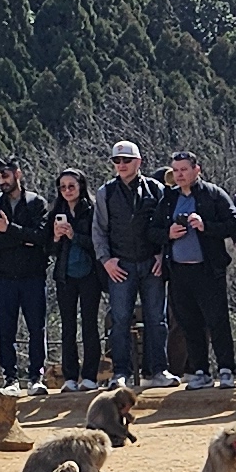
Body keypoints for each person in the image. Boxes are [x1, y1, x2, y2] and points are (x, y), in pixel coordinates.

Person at [157, 150, 236, 388]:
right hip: (179, 272)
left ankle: (226, 369)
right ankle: (200, 371)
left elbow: (234, 224)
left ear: (196, 170)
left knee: (217, 321)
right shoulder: (169, 199)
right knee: (189, 324)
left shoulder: (213, 195)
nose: (180, 175)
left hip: (208, 270)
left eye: (184, 170)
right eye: (176, 170)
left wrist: (205, 226)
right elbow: (152, 231)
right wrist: (168, 233)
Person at [0, 152, 51, 386]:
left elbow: (41, 237)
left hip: (32, 275)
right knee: (6, 331)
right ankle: (10, 377)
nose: (2, 181)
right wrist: (22, 238)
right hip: (3, 277)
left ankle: (36, 376)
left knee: (36, 328)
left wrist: (9, 230)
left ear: (18, 174)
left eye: (6, 175)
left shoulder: (35, 203)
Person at [96, 141, 163, 384]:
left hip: (151, 263)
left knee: (157, 319)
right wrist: (106, 260)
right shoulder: (106, 192)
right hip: (120, 266)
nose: (121, 165)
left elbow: (164, 226)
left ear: (138, 161)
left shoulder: (156, 189)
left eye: (126, 160)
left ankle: (157, 371)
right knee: (120, 321)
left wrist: (162, 255)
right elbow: (99, 230)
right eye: (117, 161)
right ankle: (120, 373)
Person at [43, 169, 102, 386]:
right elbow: (47, 247)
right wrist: (57, 238)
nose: (67, 191)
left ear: (81, 186)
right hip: (64, 275)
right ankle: (70, 377)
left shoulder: (92, 210)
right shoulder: (55, 212)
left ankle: (89, 376)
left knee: (89, 325)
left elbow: (98, 242)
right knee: (68, 327)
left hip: (89, 274)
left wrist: (73, 235)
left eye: (71, 186)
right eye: (63, 187)